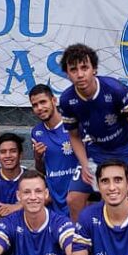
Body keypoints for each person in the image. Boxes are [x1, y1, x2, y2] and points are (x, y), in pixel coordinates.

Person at [57, 43, 128, 220]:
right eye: (73, 69)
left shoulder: (115, 90)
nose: (80, 74)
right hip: (96, 152)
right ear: (67, 74)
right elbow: (74, 136)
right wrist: (84, 164)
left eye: (84, 67)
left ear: (94, 69)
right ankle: (81, 244)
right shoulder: (67, 100)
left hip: (126, 150)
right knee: (73, 199)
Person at [28, 84, 78, 214]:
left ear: (54, 100)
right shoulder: (37, 133)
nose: (39, 108)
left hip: (78, 197)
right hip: (55, 201)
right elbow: (42, 169)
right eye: (35, 105)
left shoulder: (74, 124)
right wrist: (38, 157)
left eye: (43, 102)